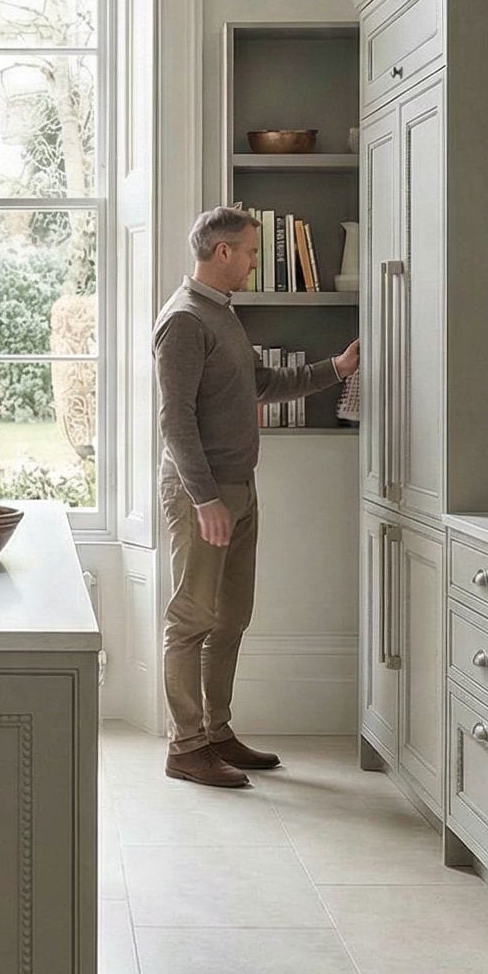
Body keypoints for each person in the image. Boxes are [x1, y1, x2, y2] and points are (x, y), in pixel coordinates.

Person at [156, 204, 360, 788]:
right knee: (191, 620)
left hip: (238, 488)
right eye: (248, 251)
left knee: (231, 620)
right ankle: (186, 747)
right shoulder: (185, 321)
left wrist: (337, 368)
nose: (252, 262)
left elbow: (263, 385)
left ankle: (217, 734)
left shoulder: (223, 314)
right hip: (205, 495)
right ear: (222, 252)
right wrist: (204, 499)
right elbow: (176, 421)